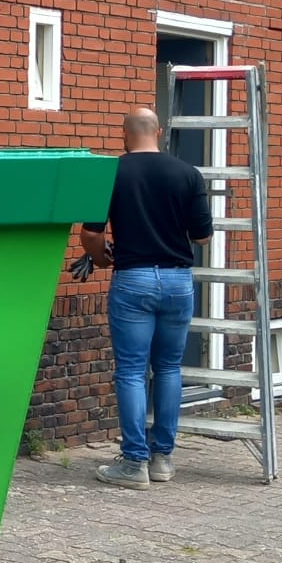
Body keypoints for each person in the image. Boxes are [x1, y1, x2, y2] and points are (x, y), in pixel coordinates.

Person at [78, 108, 213, 489]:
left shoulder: (111, 173)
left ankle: (134, 462)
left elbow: (90, 235)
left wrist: (103, 255)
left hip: (133, 280)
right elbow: (203, 237)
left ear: (125, 133)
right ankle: (162, 460)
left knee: (132, 372)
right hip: (177, 282)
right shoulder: (188, 174)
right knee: (169, 369)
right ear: (160, 131)